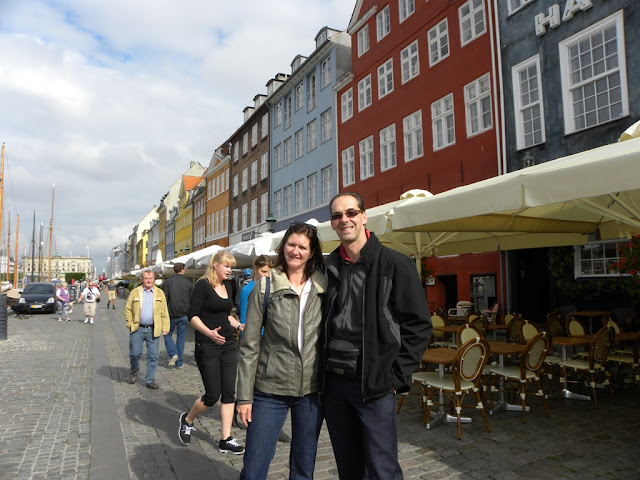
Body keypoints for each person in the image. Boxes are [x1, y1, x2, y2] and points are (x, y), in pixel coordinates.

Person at [322, 192, 432, 480]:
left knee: (382, 469)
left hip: (374, 382)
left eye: (350, 213)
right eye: (337, 216)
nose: (344, 219)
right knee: (349, 467)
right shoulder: (329, 268)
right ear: (332, 224)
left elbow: (419, 326)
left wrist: (396, 376)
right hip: (335, 383)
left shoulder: (395, 264)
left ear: (363, 216)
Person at [237, 221, 327, 479]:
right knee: (254, 466)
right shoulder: (265, 287)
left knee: (303, 466)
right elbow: (250, 346)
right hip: (269, 390)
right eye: (291, 244)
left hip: (310, 391)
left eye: (302, 247)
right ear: (283, 246)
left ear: (311, 252)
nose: (295, 251)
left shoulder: (323, 286)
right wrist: (244, 397)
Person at [178, 250, 245, 454]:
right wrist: (209, 333)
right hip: (207, 345)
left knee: (229, 393)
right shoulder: (202, 286)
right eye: (226, 265)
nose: (229, 269)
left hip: (227, 346)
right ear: (215, 265)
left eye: (231, 267)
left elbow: (226, 315)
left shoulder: (228, 287)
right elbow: (193, 316)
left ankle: (225, 439)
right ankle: (187, 419)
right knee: (212, 395)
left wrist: (240, 325)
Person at [124, 269, 170, 389]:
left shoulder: (160, 293)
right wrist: (130, 323)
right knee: (134, 353)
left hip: (153, 329)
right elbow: (128, 309)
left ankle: (150, 379)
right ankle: (134, 371)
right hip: (137, 328)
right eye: (146, 278)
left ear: (154, 279)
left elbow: (164, 311)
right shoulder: (135, 292)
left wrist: (166, 327)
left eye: (151, 278)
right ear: (142, 280)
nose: (149, 280)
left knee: (153, 355)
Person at [162, 262, 194, 369]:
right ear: (183, 270)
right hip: (184, 314)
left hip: (170, 314)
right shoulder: (188, 283)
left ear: (174, 270)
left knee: (166, 334)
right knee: (181, 338)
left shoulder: (167, 282)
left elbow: (164, 299)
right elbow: (192, 299)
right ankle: (179, 362)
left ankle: (173, 353)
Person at [238, 256, 272, 328]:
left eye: (269, 272)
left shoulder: (271, 288)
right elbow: (244, 319)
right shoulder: (247, 290)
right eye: (263, 271)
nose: (267, 275)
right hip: (256, 334)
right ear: (255, 269)